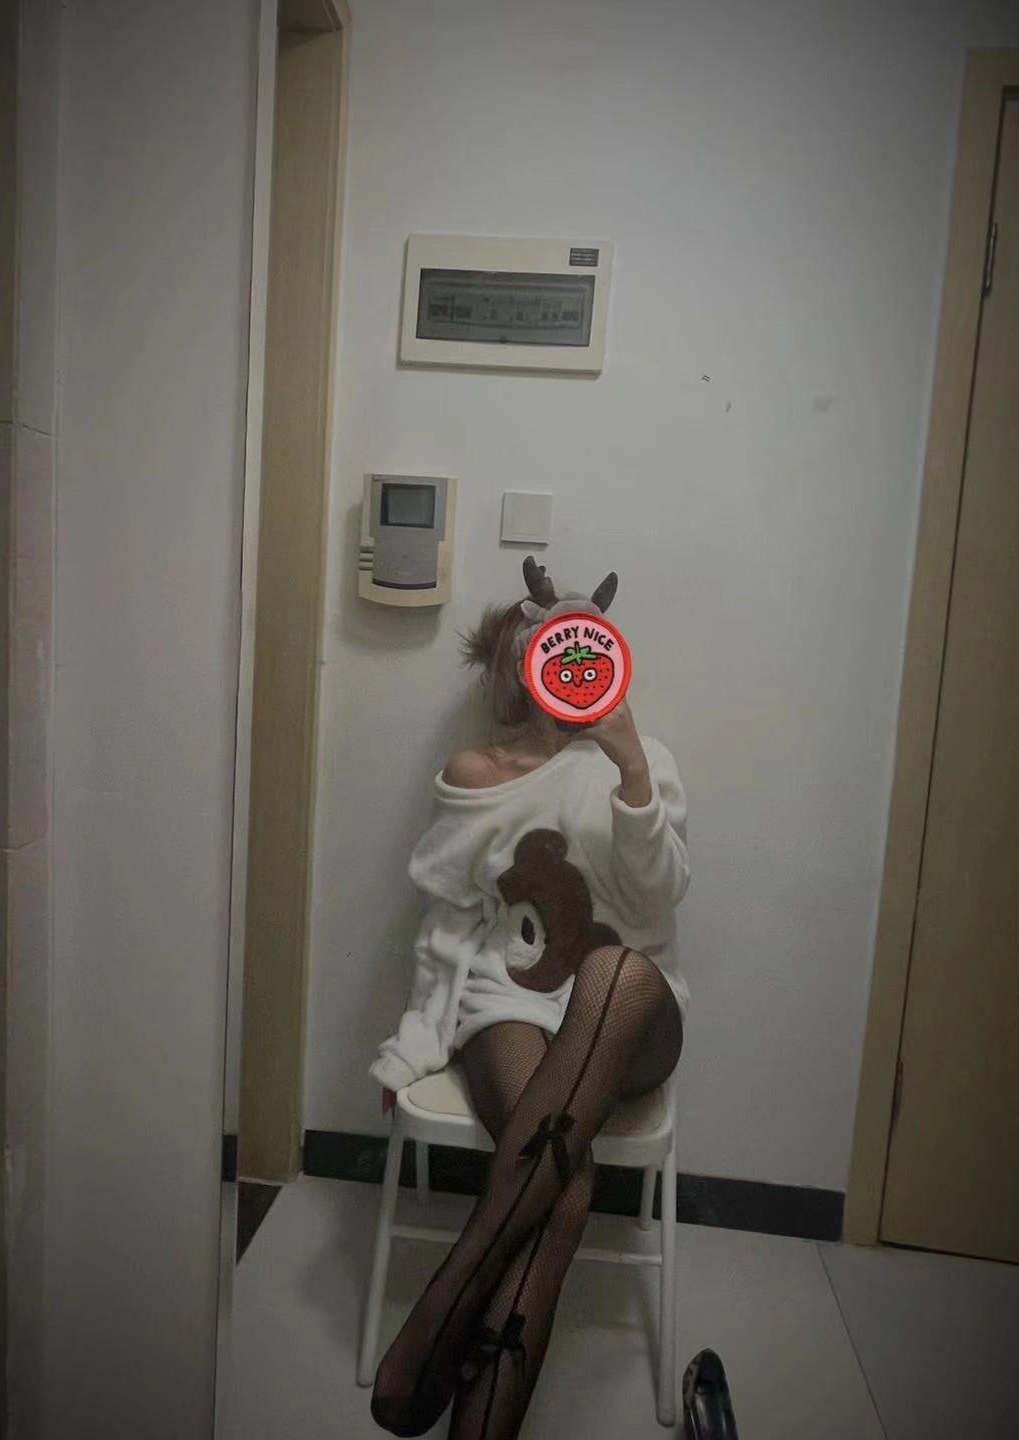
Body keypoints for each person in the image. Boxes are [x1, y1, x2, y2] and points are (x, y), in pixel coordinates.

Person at [369, 556, 690, 1440]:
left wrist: (630, 770)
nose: (567, 666)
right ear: (519, 662)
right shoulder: (478, 771)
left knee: (614, 972)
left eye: (585, 647)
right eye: (549, 648)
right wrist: (415, 1036)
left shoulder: (647, 762)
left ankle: (450, 1294)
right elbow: (447, 923)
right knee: (566, 1190)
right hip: (508, 1000)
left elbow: (659, 905)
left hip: (625, 1016)